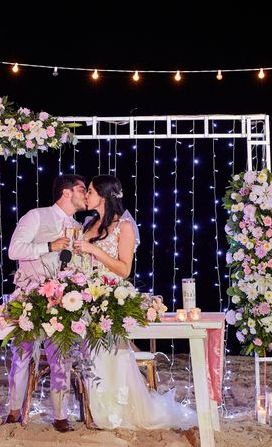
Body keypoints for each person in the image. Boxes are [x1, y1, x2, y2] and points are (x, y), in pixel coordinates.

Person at [72, 175, 197, 430]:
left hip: (109, 300)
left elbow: (124, 269)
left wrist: (95, 251)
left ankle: (118, 413)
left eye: (91, 191)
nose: (87, 196)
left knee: (112, 358)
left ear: (104, 196)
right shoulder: (87, 224)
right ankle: (94, 411)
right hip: (86, 298)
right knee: (89, 357)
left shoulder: (124, 227)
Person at [6, 174, 87, 432]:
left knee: (61, 357)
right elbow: (14, 250)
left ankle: (61, 416)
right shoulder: (37, 216)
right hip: (31, 296)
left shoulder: (77, 225)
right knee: (22, 356)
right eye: (82, 189)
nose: (86, 194)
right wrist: (49, 245)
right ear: (66, 192)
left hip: (63, 300)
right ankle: (14, 411)